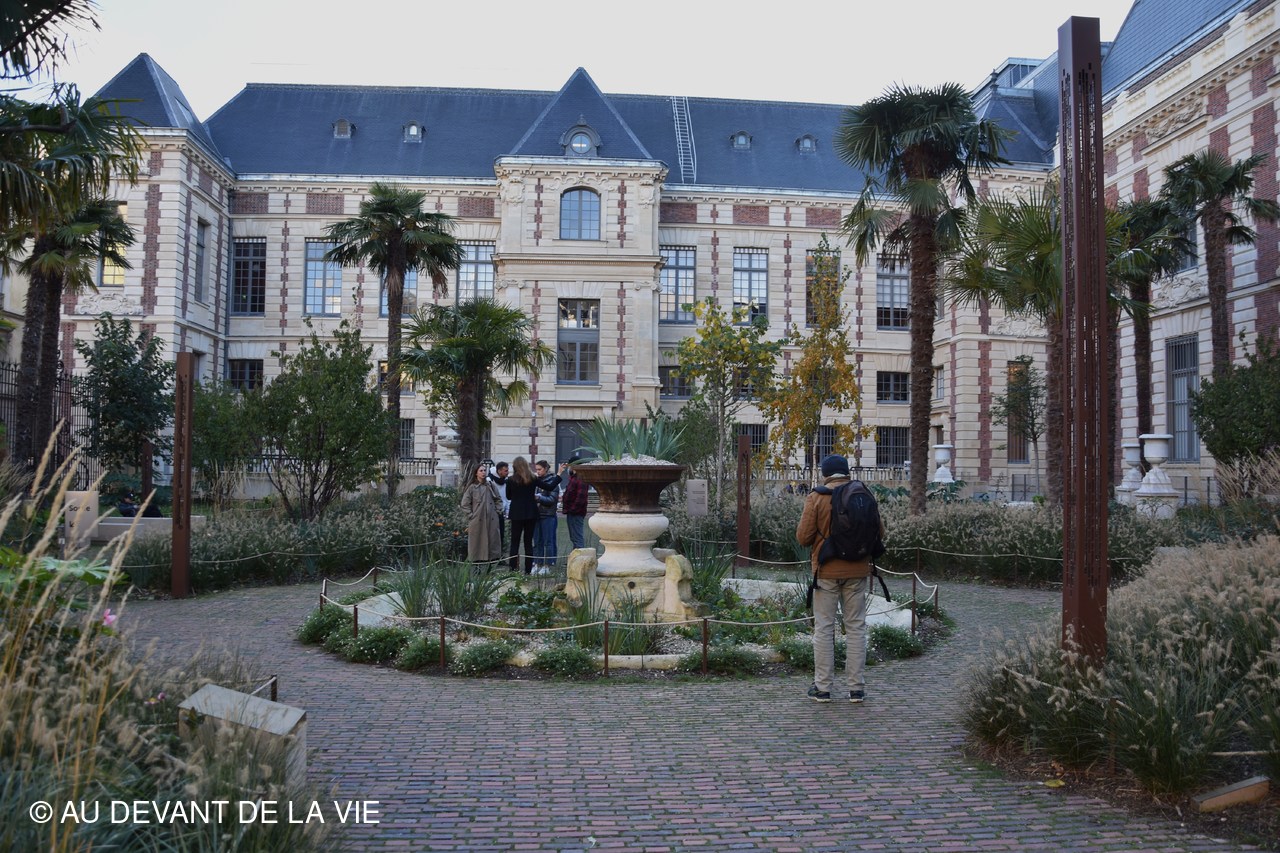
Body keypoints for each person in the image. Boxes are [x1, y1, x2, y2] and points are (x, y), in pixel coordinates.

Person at [796, 453, 884, 704]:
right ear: (846, 472)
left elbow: (803, 537)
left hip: (826, 572)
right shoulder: (863, 493)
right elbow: (880, 532)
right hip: (857, 570)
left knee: (824, 628)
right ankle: (856, 689)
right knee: (856, 628)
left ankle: (823, 688)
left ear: (825, 473)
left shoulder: (817, 497)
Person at [461, 463, 503, 566]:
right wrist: (471, 515)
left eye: (484, 470)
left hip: (491, 520)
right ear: (476, 473)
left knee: (492, 543)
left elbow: (498, 499)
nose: (483, 472)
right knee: (476, 544)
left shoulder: (491, 485)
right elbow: (465, 503)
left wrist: (498, 511)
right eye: (481, 471)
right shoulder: (472, 488)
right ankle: (476, 567)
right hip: (477, 520)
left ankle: (490, 567)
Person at [531, 459, 566, 575]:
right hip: (536, 515)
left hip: (548, 515)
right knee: (537, 541)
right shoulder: (535, 481)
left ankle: (548, 565)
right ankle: (537, 563)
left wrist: (539, 498)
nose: (538, 472)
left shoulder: (553, 482)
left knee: (548, 541)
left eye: (540, 469)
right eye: (536, 469)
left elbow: (552, 499)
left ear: (546, 469)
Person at [562, 458, 589, 550]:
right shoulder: (574, 477)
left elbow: (581, 497)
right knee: (574, 537)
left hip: (576, 513)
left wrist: (573, 509)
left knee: (577, 538)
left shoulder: (580, 478)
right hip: (572, 512)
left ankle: (580, 557)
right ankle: (576, 556)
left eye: (569, 466)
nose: (568, 468)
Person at [488, 461, 511, 547]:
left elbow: (507, 497)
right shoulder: (489, 481)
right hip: (491, 512)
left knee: (501, 535)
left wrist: (507, 510)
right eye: (506, 470)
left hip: (501, 511)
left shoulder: (506, 481)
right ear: (499, 471)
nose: (508, 472)